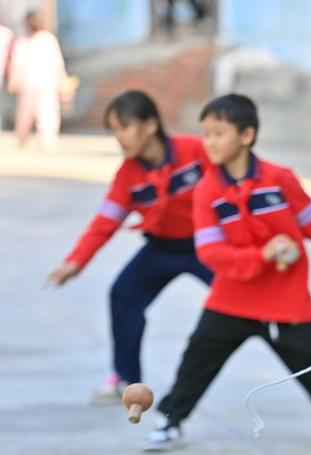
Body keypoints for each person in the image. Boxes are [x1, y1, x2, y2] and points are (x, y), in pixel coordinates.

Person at [146, 94, 311, 451]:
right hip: (233, 297)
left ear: (247, 136)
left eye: (218, 133)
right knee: (198, 357)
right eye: (205, 133)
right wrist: (262, 255)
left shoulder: (279, 180)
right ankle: (170, 420)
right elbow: (210, 252)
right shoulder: (207, 191)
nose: (209, 142)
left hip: (286, 298)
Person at [47, 91, 214, 403]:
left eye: (123, 128)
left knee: (253, 302)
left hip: (206, 247)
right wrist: (75, 262)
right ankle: (126, 378)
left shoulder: (193, 151)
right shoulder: (128, 175)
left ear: (149, 125)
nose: (119, 138)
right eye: (114, 131)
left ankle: (305, 358)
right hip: (161, 249)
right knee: (124, 295)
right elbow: (104, 223)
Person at [7, 10, 67, 152]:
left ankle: (47, 141)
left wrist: (62, 83)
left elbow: (57, 63)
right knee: (26, 114)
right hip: (29, 85)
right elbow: (17, 65)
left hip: (45, 85)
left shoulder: (47, 40)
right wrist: (13, 81)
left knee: (47, 113)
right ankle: (23, 137)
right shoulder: (23, 42)